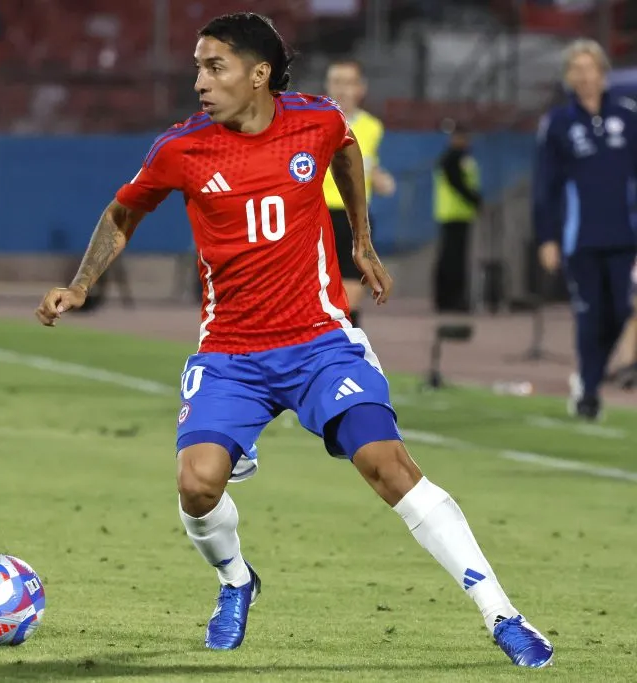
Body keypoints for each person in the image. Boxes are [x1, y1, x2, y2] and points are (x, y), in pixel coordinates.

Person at [35, 12, 553, 667]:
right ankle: (236, 581)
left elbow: (346, 150)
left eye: (214, 66)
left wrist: (360, 239)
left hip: (319, 344)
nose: (199, 80)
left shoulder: (317, 119)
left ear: (258, 75)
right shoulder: (181, 149)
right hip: (230, 354)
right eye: (197, 66)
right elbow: (123, 211)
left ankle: (502, 613)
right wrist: (80, 286)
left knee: (387, 464)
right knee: (196, 485)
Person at [532, 39, 637, 420]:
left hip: (625, 235)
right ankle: (590, 391)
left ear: (603, 72)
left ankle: (589, 378)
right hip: (581, 238)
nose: (584, 75)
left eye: (590, 67)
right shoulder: (558, 123)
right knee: (590, 315)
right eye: (576, 68)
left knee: (623, 311)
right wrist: (547, 237)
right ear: (568, 77)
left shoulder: (628, 117)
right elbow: (545, 186)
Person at [321, 58, 396, 328]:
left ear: (360, 88)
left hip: (355, 218)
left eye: (348, 83)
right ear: (327, 86)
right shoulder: (314, 123)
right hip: (317, 215)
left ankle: (348, 349)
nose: (342, 89)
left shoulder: (372, 127)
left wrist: (378, 178)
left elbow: (365, 163)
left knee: (351, 291)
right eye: (336, 82)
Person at [432, 120, 483, 313]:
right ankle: (451, 300)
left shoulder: (459, 157)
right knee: (453, 260)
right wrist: (475, 199)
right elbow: (458, 184)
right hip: (453, 214)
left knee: (452, 258)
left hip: (459, 214)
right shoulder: (452, 158)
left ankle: (448, 299)